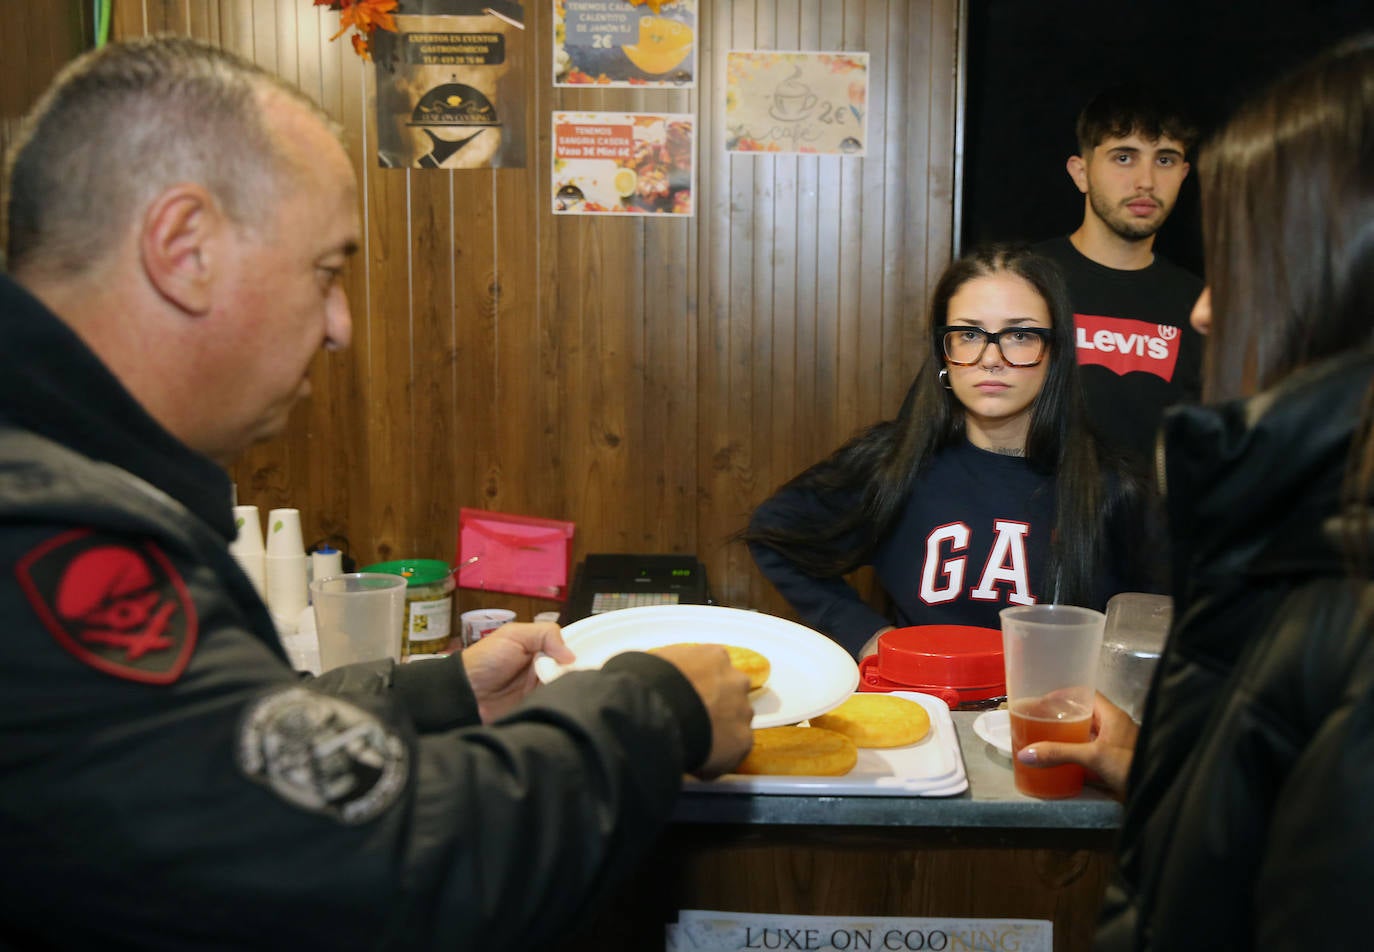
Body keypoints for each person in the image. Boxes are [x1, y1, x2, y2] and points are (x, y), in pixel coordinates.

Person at [0, 36, 753, 949]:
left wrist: (441, 698)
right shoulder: (46, 533)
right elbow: (373, 870)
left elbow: (211, 755)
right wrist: (652, 706)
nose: (341, 326)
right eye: (325, 271)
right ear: (182, 247)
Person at [1020, 34, 1374, 949]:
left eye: (1250, 258)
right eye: (1124, 154)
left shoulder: (1332, 600)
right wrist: (1155, 766)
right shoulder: (1285, 565)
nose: (1211, 310)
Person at [744, 244, 1159, 659]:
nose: (991, 359)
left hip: (1049, 721)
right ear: (945, 352)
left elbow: (1163, 625)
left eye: (1020, 335)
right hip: (921, 715)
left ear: (1055, 353)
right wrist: (867, 636)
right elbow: (772, 533)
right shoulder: (893, 463)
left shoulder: (1115, 485)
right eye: (969, 335)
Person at [1033, 82, 1205, 467]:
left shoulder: (1202, 306)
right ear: (1081, 173)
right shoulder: (1022, 282)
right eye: (1124, 157)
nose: (1146, 181)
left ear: (1183, 173)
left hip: (1151, 524)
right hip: (1034, 519)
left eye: (1165, 160)